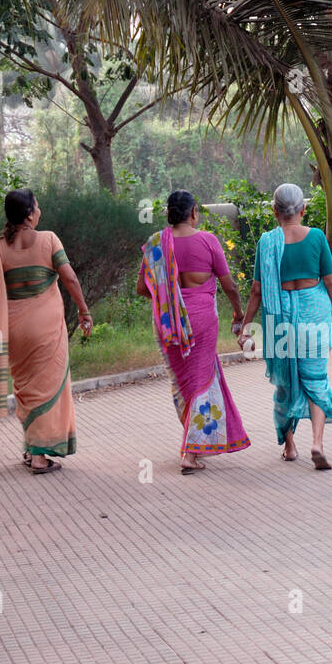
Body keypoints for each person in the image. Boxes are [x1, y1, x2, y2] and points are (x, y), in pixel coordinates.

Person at [0, 189, 93, 474]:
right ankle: (40, 457)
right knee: (47, 388)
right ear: (30, 213)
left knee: (27, 389)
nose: (40, 209)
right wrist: (84, 310)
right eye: (37, 205)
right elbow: (68, 276)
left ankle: (31, 449)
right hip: (44, 328)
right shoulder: (48, 239)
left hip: (14, 327)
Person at [138, 190, 251, 473]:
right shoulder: (208, 241)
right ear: (192, 213)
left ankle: (194, 442)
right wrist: (238, 313)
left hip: (167, 324)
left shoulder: (156, 244)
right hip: (201, 320)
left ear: (169, 214)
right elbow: (229, 286)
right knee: (200, 380)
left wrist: (169, 297)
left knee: (183, 384)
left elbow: (142, 288)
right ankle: (190, 452)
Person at [237, 184, 332, 470]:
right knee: (316, 380)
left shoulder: (266, 242)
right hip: (314, 316)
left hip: (280, 320)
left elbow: (257, 290)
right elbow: (331, 282)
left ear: (275, 211)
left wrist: (246, 326)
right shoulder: (317, 237)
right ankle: (317, 444)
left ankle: (291, 447)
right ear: (302, 209)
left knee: (285, 384)